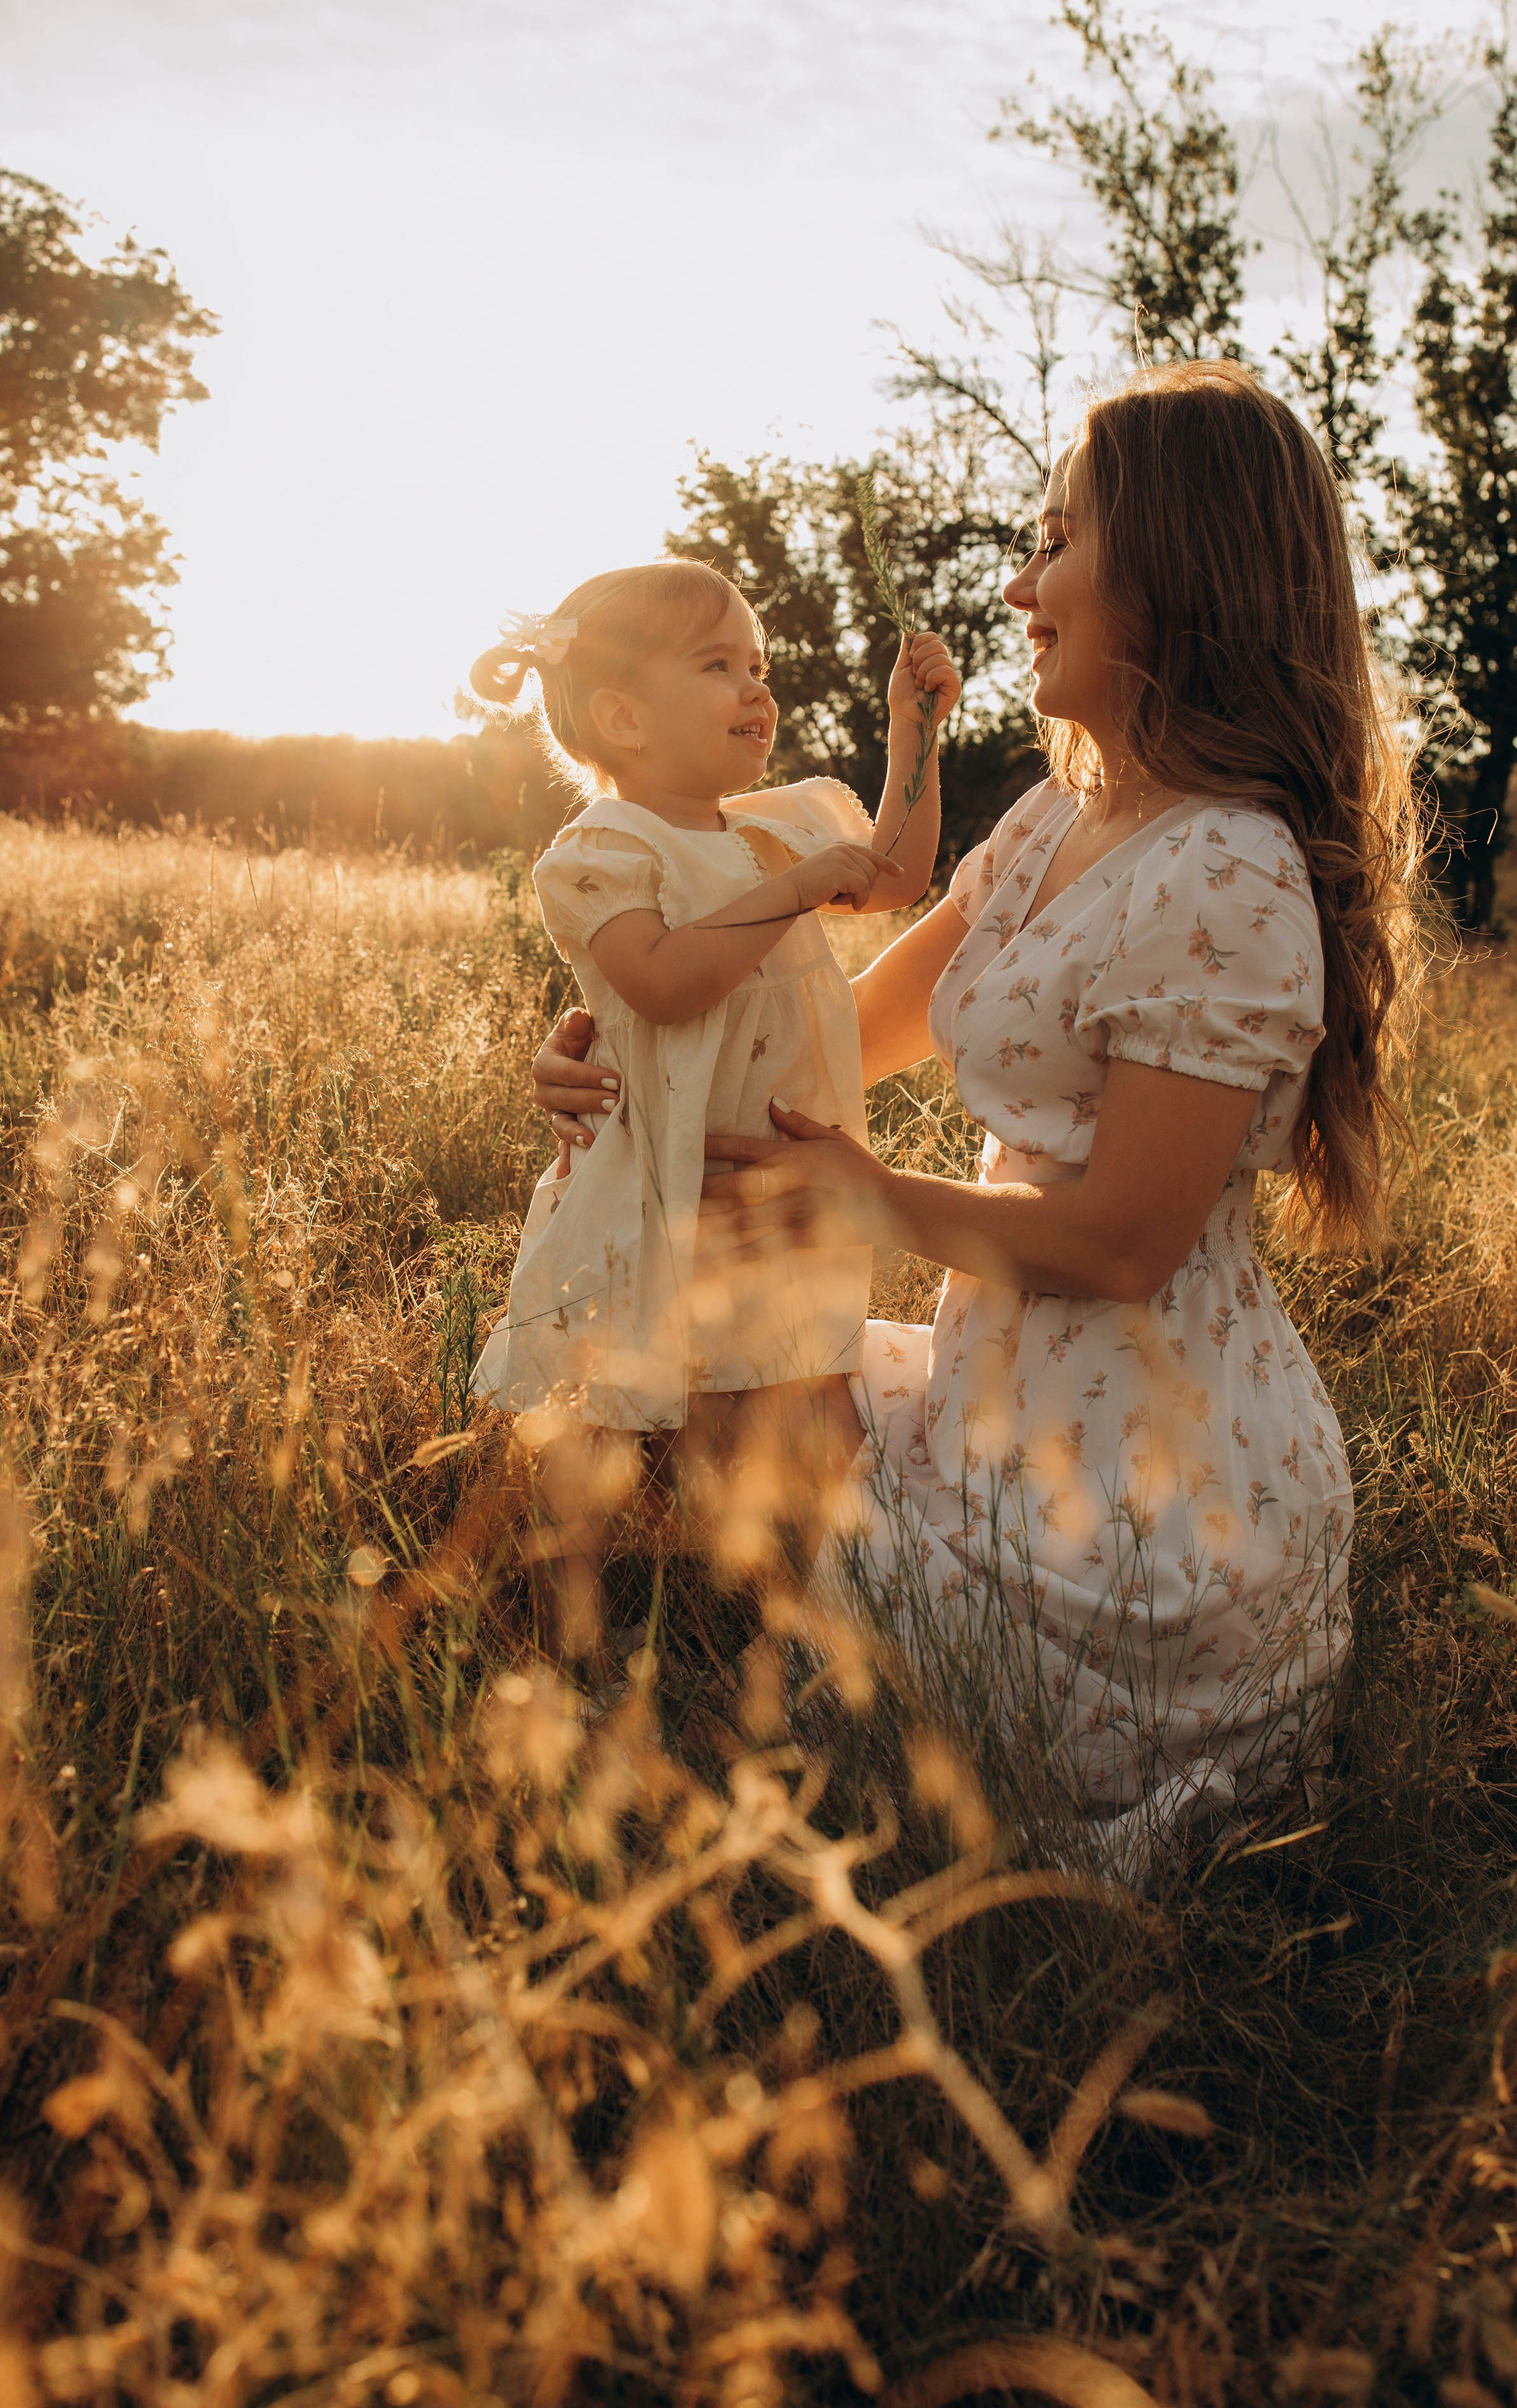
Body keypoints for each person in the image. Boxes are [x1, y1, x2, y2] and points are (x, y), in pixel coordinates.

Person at [532, 368, 1422, 1845]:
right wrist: (616, 1068)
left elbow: (1125, 1239)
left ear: (1169, 574)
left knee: (793, 1586)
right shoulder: (1059, 815)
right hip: (996, 1377)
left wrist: (862, 1199)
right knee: (691, 1375)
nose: (1018, 584)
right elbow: (839, 1029)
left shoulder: (1224, 867)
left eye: (1057, 543)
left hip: (1141, 1482)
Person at [472, 559, 959, 1557]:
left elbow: (900, 871)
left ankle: (811, 1582)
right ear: (624, 718)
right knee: (634, 1414)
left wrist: (914, 732)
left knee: (801, 1396)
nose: (756, 687)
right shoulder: (602, 849)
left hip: (774, 1171)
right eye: (718, 665)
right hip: (663, 1186)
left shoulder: (773, 828)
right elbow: (660, 978)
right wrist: (791, 893)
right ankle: (606, 1611)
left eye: (757, 662)